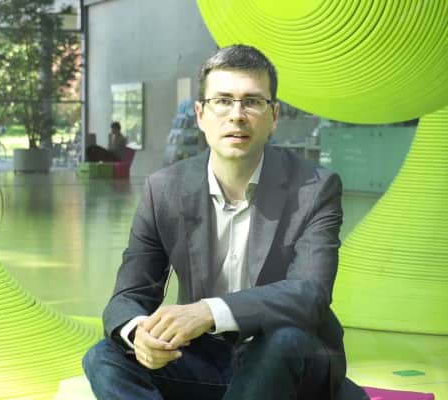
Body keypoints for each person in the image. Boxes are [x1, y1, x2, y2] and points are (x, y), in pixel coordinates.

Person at [83, 44, 367, 399]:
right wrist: (139, 333)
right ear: (200, 114)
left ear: (274, 115)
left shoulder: (314, 188)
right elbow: (129, 294)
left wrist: (209, 311)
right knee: (105, 357)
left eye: (252, 101)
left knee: (282, 340)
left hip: (290, 358)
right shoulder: (165, 189)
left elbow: (309, 294)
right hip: (207, 358)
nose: (237, 115)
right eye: (222, 101)